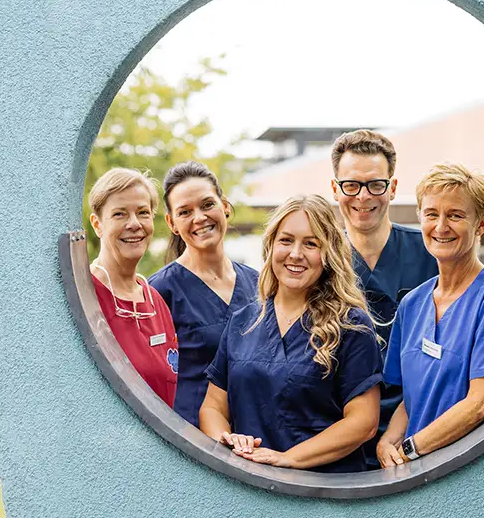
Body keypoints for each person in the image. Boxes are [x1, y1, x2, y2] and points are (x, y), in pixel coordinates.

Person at [199, 195, 383, 473]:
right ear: (271, 246)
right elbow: (212, 407)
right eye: (286, 240)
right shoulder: (243, 321)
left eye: (311, 243)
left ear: (328, 254)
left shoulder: (351, 326)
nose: (295, 254)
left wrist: (289, 458)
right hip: (251, 485)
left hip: (322, 492)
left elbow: (363, 422)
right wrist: (227, 441)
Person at [376, 163, 484, 467]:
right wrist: (387, 441)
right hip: (415, 471)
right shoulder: (412, 304)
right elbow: (413, 398)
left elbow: (481, 403)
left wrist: (408, 450)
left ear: (481, 224)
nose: (441, 226)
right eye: (431, 214)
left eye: (455, 215)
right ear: (420, 218)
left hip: (467, 471)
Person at [330, 129, 439, 467]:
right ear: (335, 189)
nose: (363, 197)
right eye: (351, 185)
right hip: (339, 432)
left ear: (392, 188)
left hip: (420, 429)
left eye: (375, 184)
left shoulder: (431, 255)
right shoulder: (321, 263)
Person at [149, 162, 258, 428]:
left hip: (257, 437)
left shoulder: (260, 284)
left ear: (225, 207)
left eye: (207, 205)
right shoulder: (159, 292)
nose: (199, 218)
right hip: (192, 439)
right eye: (185, 212)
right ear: (172, 223)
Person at [88, 168, 179, 407]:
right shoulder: (85, 296)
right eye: (119, 214)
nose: (134, 224)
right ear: (97, 224)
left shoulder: (155, 302)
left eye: (143, 213)